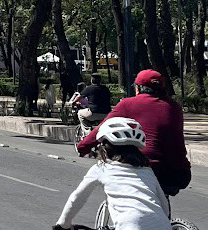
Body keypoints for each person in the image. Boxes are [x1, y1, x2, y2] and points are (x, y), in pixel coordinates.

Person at [77, 68, 191, 197]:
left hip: (146, 168)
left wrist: (83, 146)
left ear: (138, 88)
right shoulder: (175, 107)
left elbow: (101, 129)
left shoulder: (128, 104)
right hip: (179, 173)